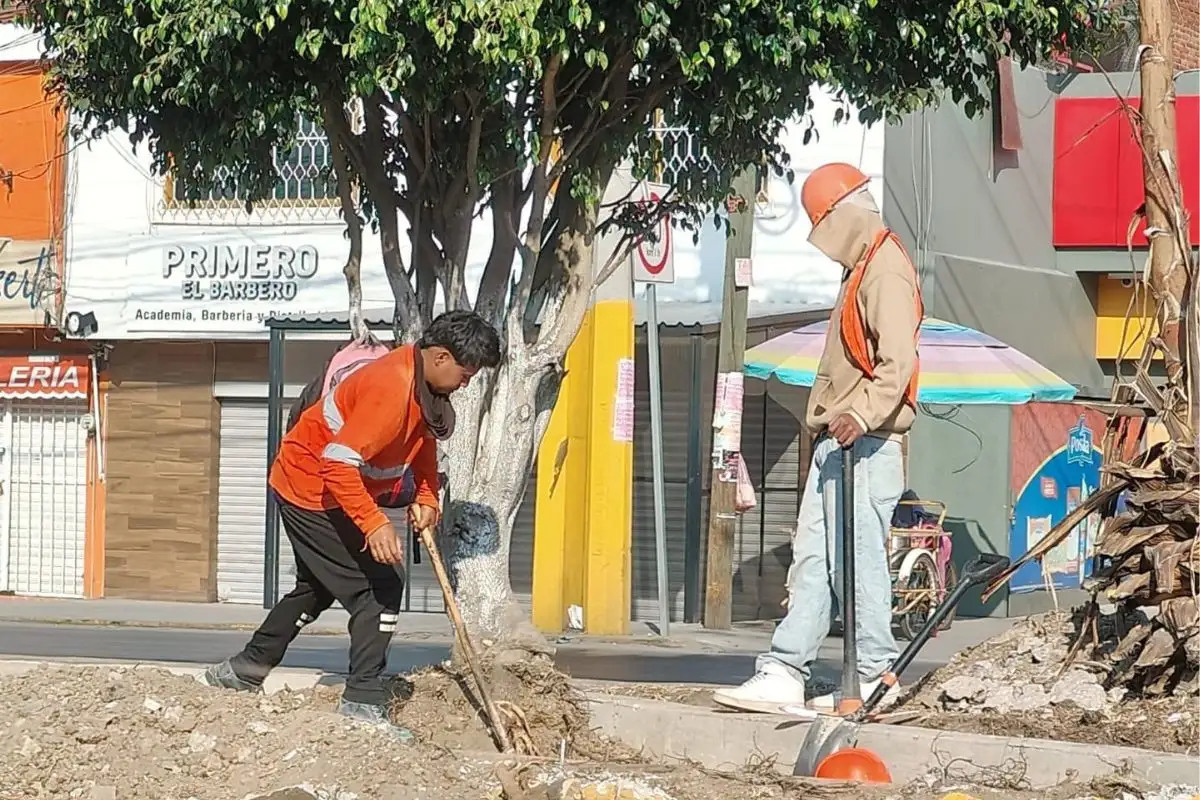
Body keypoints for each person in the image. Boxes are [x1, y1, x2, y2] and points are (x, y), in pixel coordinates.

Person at [202, 310, 502, 740]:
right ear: (439, 357)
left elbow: (422, 444)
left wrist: (427, 497)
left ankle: (244, 669)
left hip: (335, 490)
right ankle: (362, 699)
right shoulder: (391, 388)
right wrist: (374, 524)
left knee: (318, 588)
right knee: (379, 588)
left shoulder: (423, 387)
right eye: (466, 372)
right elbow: (337, 464)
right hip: (309, 488)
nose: (467, 382)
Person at [713, 163, 923, 714]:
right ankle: (785, 670)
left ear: (842, 213)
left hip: (867, 446)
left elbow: (896, 363)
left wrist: (862, 412)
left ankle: (877, 675)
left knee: (856, 566)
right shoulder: (861, 271)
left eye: (823, 223)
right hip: (842, 445)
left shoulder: (885, 270)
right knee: (815, 560)